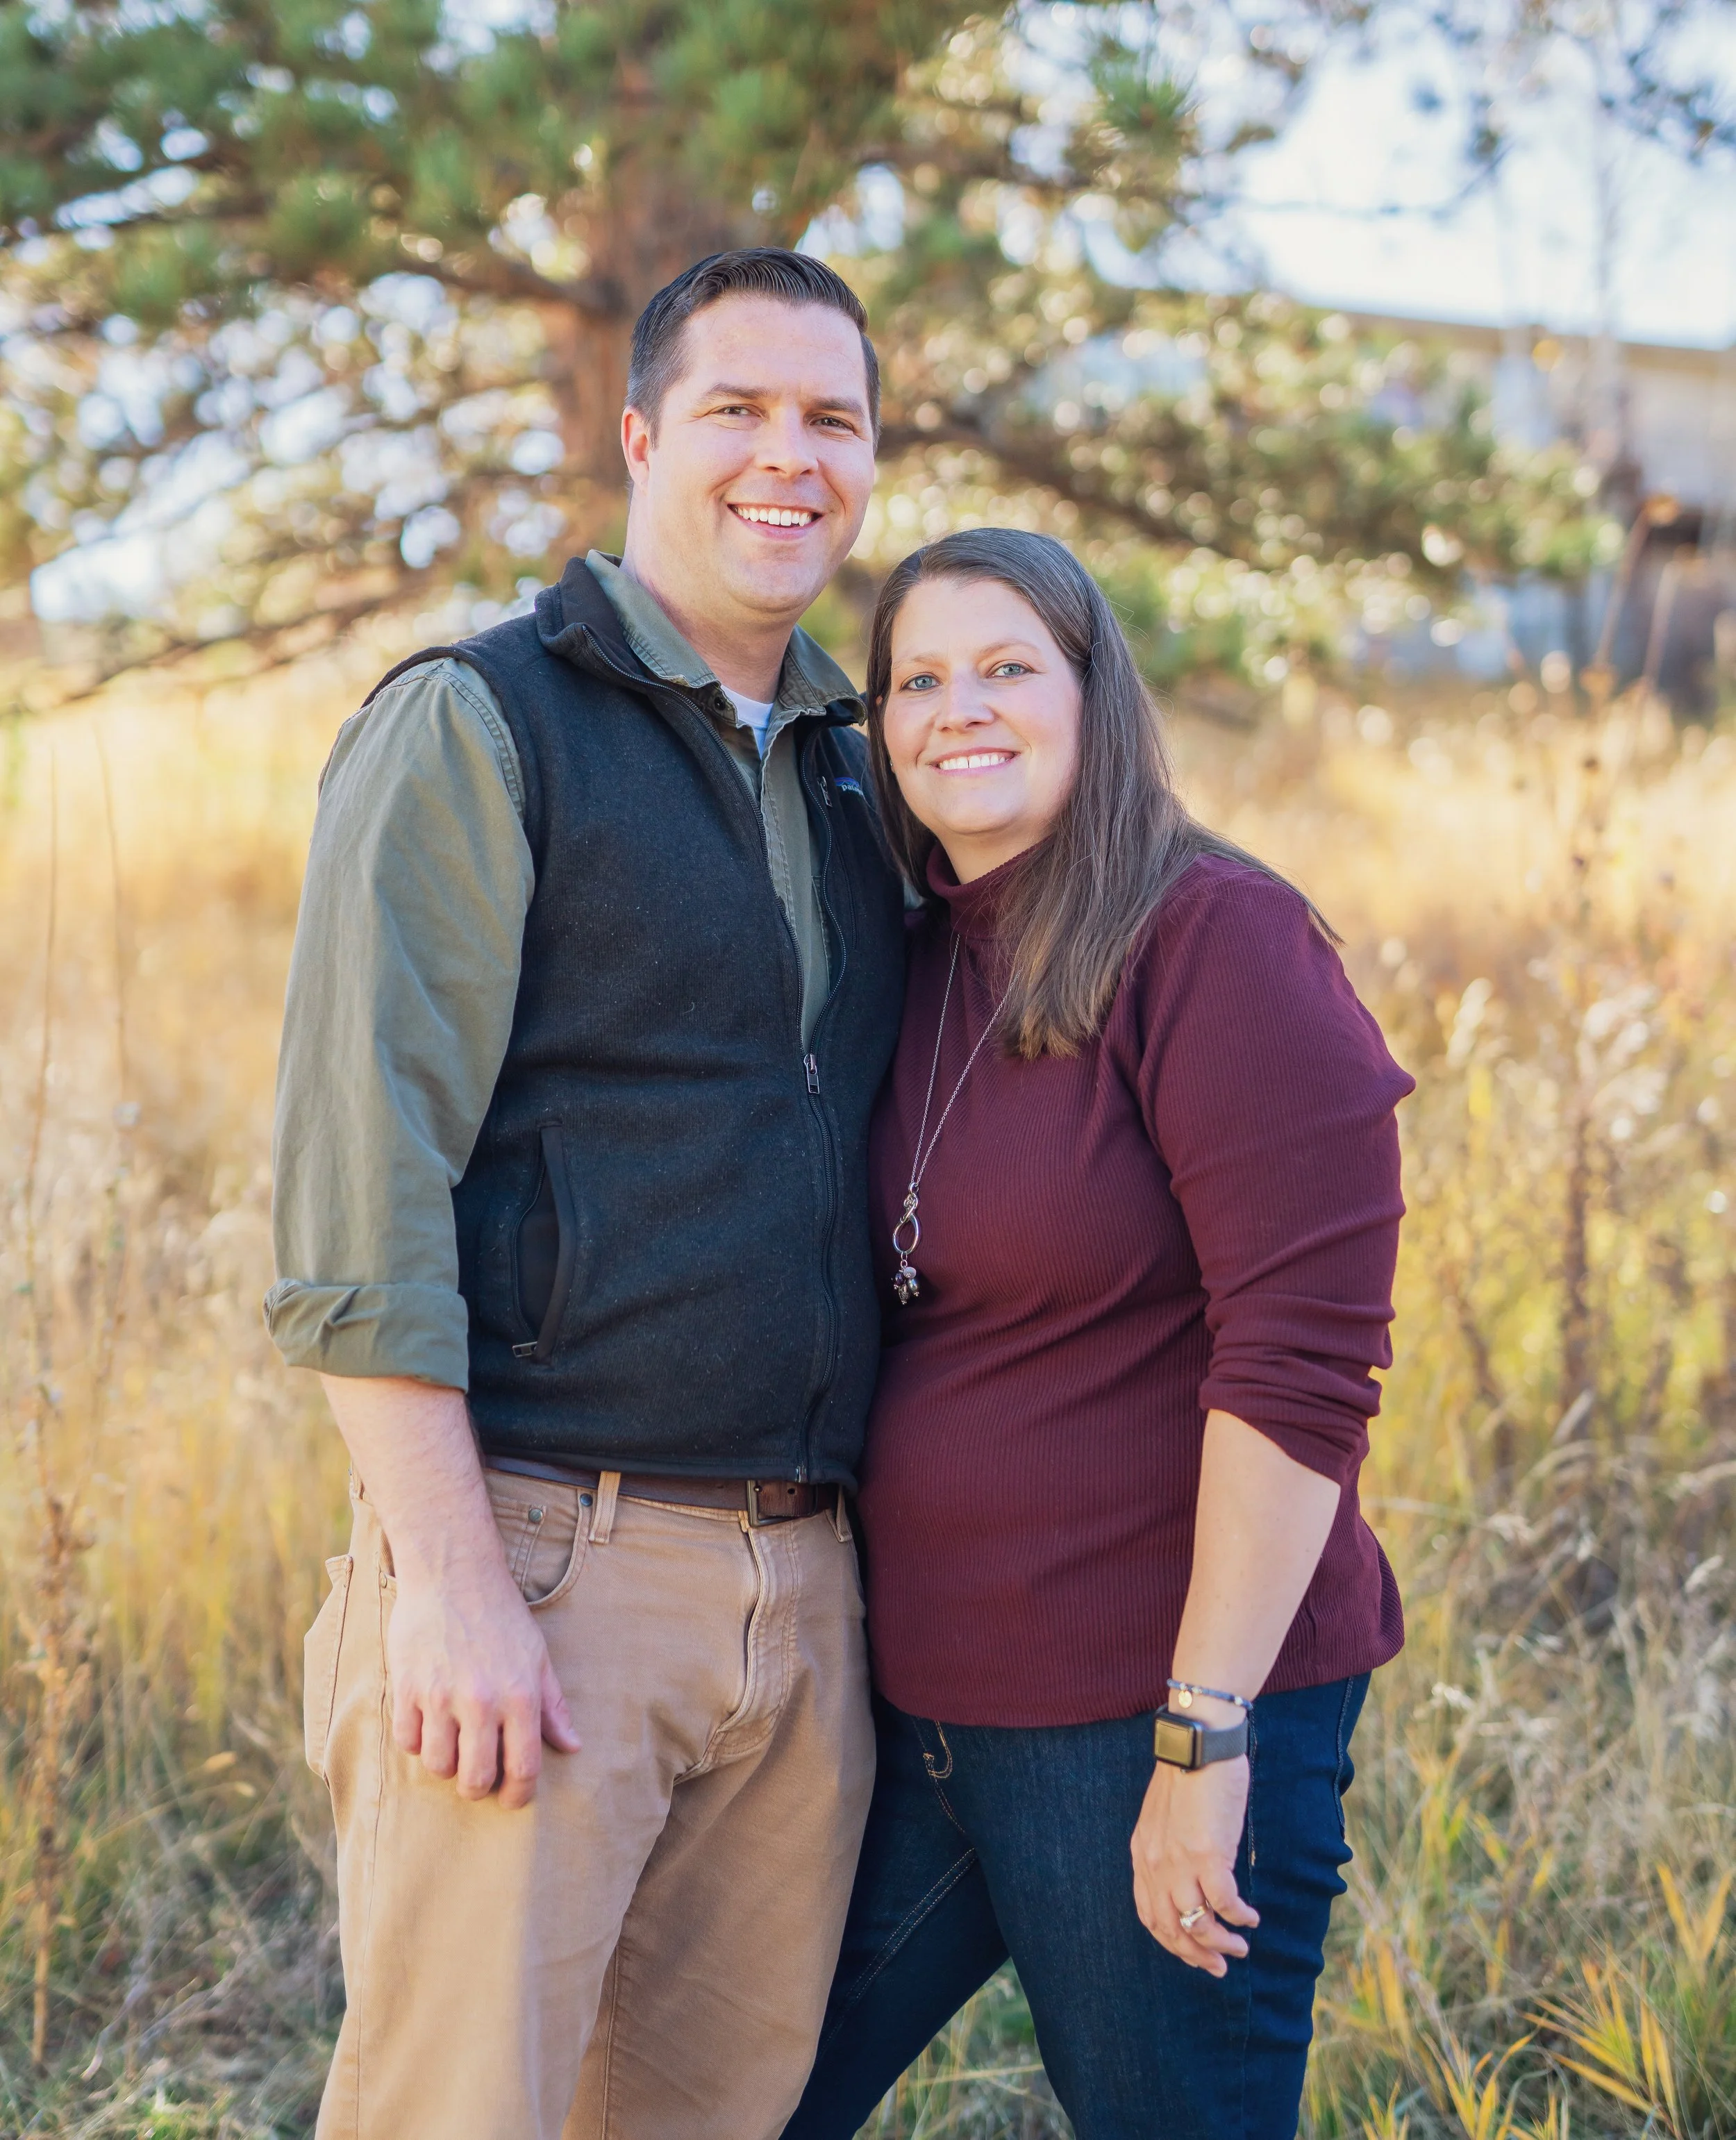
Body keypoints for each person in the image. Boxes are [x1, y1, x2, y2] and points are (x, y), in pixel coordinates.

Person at [267, 249, 906, 2140]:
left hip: (804, 1598)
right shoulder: (479, 722)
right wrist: (454, 1585)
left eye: (831, 420)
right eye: (736, 409)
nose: (786, 457)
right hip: (547, 1572)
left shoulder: (863, 774)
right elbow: (357, 1187)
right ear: (638, 436)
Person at [784, 529, 1414, 2140]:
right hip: (918, 1710)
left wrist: (1202, 1733)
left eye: (1007, 667)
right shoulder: (914, 953)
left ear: (1092, 692)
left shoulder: (1214, 938)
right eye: (915, 678)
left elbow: (1299, 1367)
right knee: (716, 2093)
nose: (956, 707)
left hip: (1143, 1715)